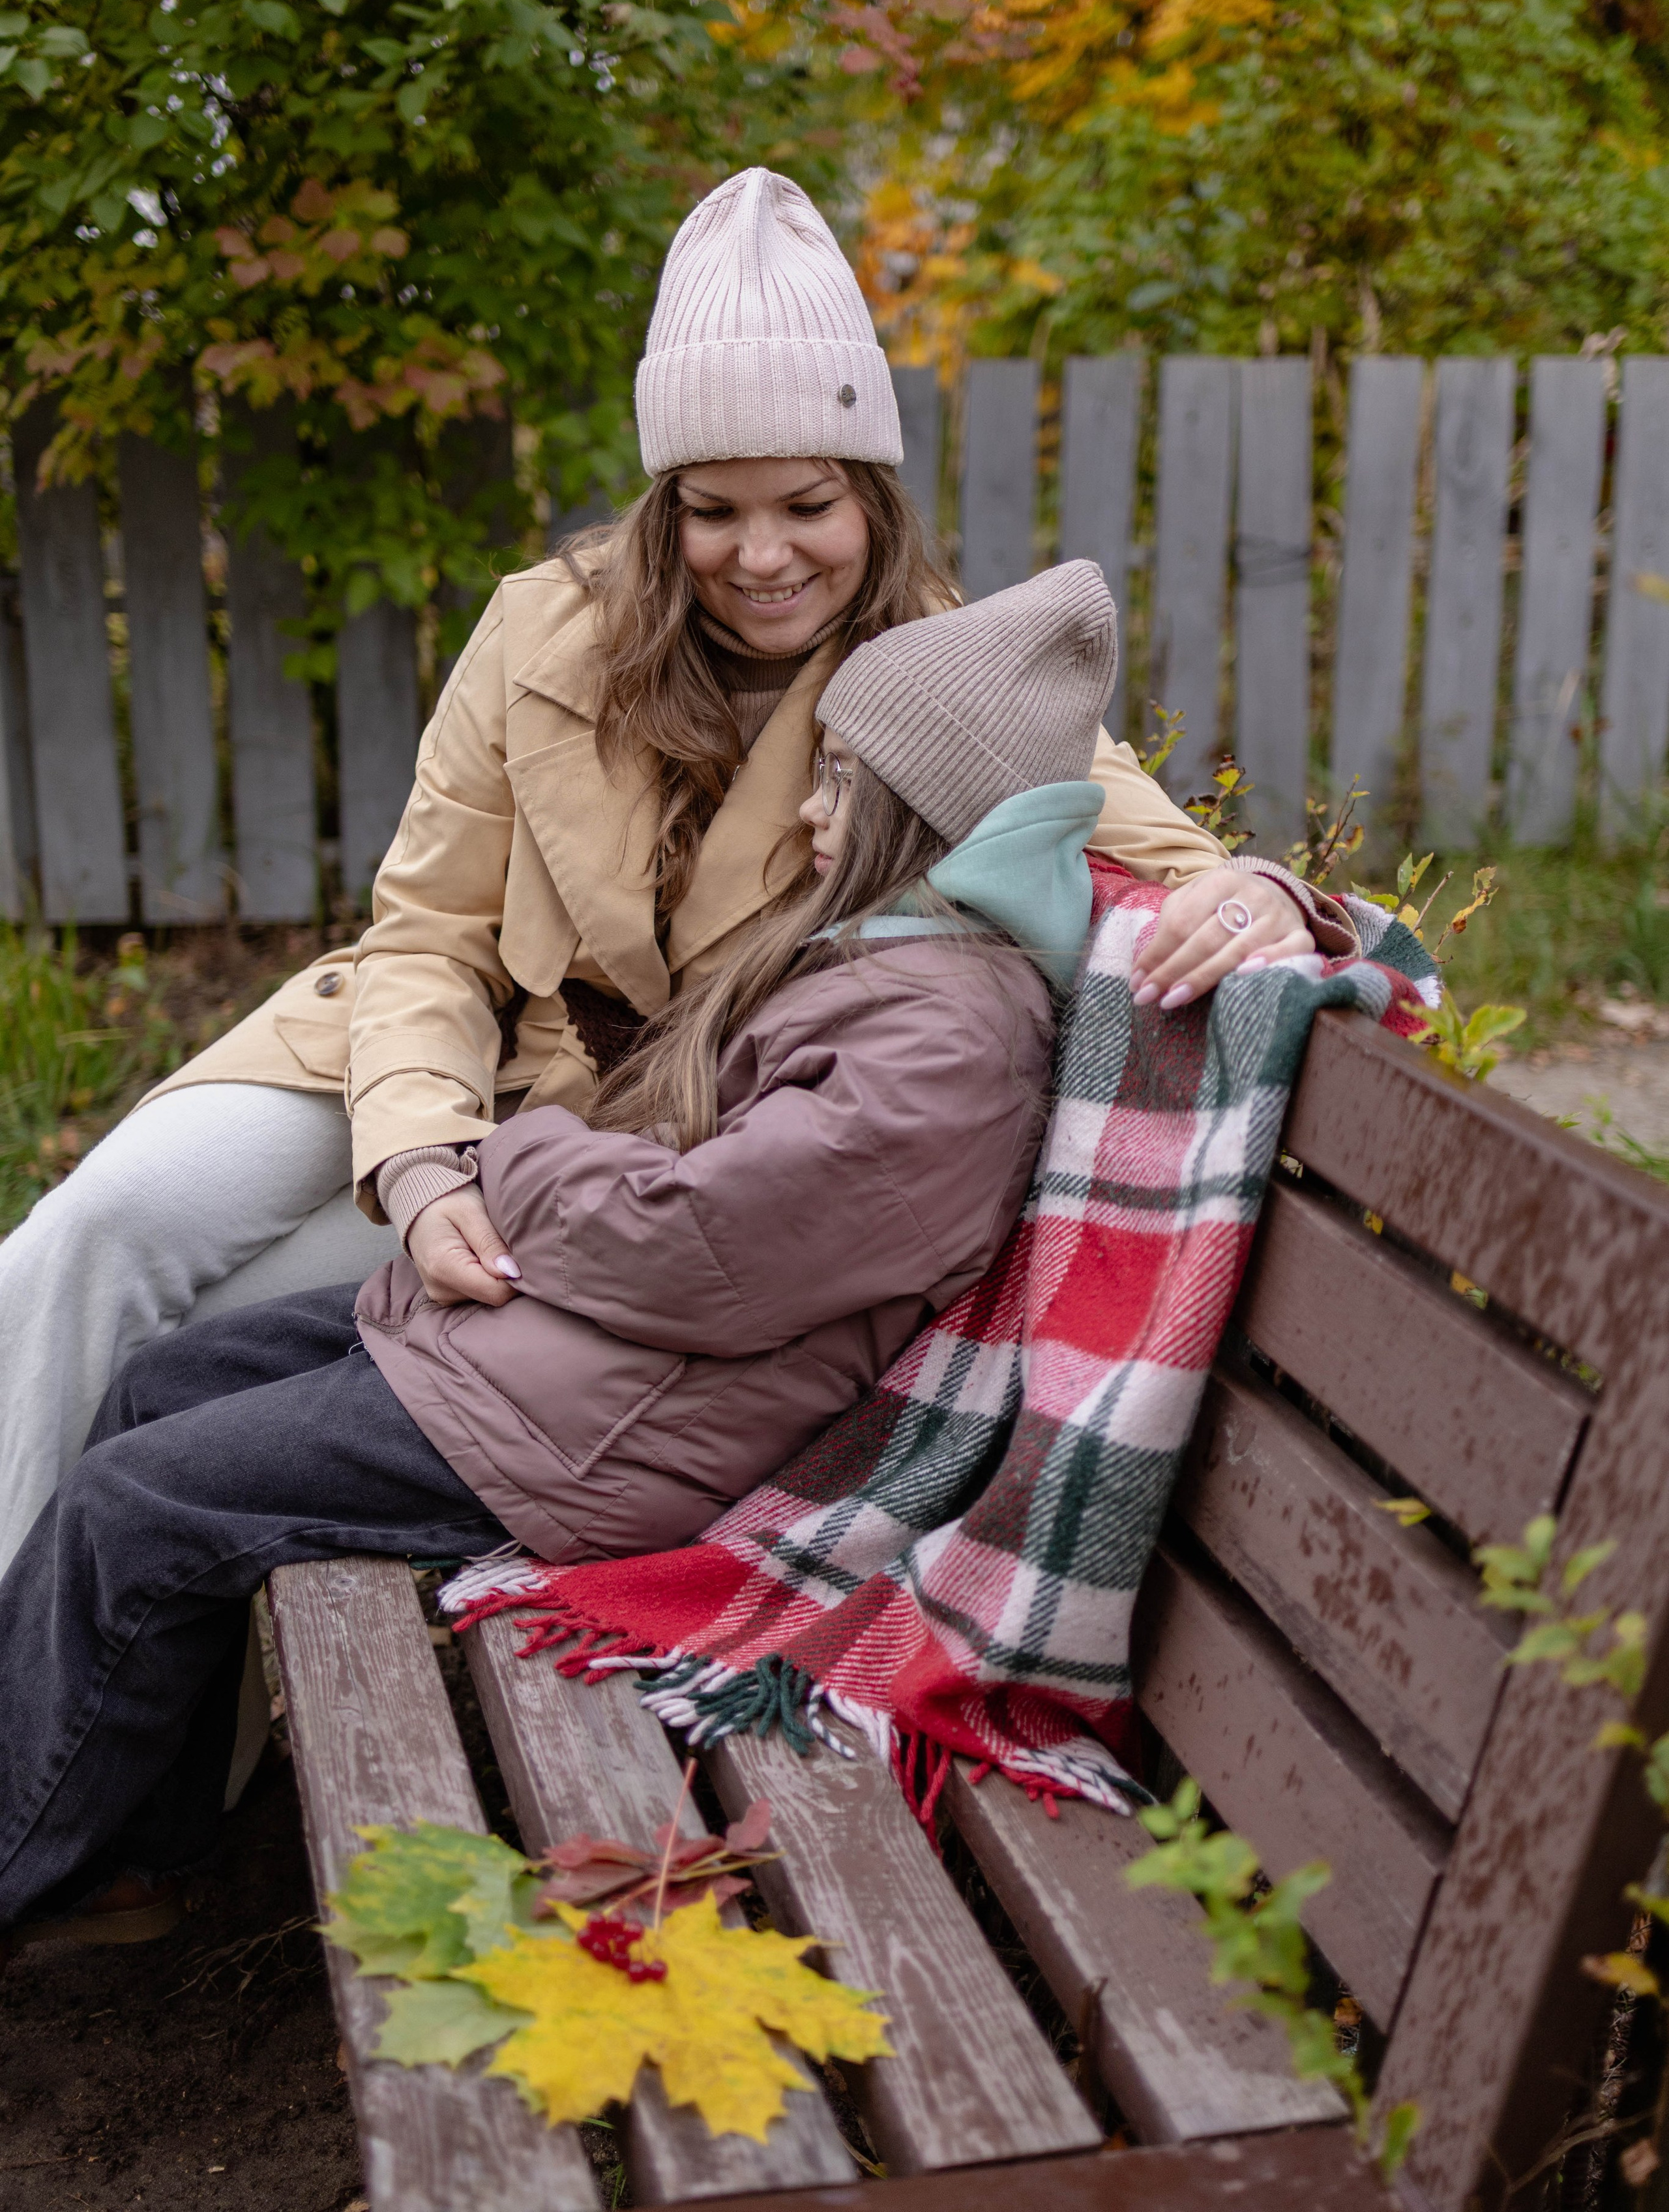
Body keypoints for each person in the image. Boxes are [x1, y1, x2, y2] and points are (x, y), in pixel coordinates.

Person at [0, 169, 1335, 1576]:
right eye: (713, 512)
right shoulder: (545, 630)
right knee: (87, 1239)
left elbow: (1142, 832)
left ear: (870, 493)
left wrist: (1260, 893)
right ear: (665, 504)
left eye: (806, 504)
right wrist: (410, 1158)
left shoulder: (936, 672)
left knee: (211, 1365)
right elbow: (428, 933)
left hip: (611, 1144)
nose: (762, 558)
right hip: (400, 1058)